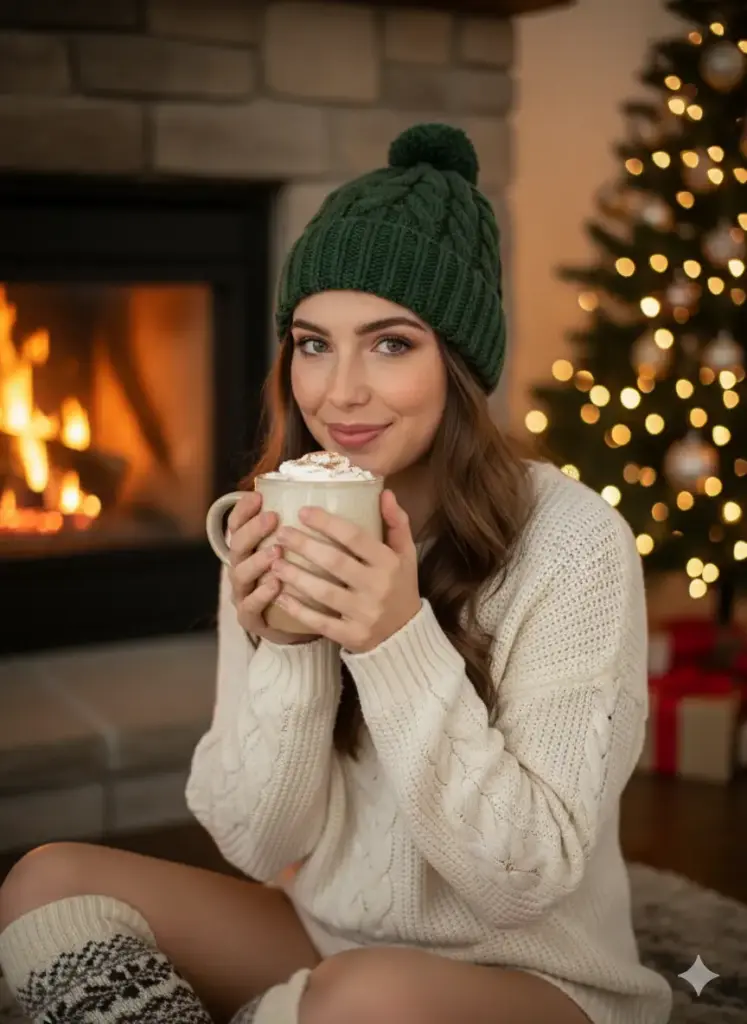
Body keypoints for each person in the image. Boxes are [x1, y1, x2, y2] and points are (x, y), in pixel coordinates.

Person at [0, 123, 672, 1024]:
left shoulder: (572, 545)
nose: (338, 392)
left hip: (535, 978)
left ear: (458, 364)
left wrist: (395, 641)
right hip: (328, 939)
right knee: (48, 880)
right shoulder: (268, 516)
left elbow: (522, 881)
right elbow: (256, 842)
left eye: (390, 344)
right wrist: (285, 647)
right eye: (313, 343)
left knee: (365, 1001)